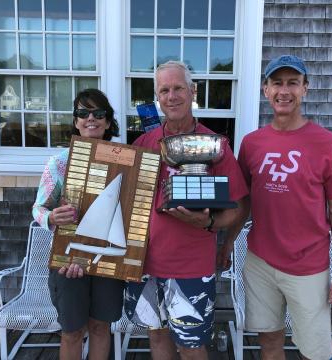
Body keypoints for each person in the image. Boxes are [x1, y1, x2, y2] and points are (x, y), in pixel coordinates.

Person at [218, 55, 332, 360]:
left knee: (315, 352)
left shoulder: (328, 144)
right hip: (260, 262)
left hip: (308, 267)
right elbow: (245, 202)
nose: (284, 90)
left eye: (293, 83)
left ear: (305, 88)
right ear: (265, 90)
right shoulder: (251, 143)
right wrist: (228, 241)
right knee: (269, 341)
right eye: (276, 83)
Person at [125, 61, 250, 360]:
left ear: (193, 91)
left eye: (178, 88)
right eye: (164, 90)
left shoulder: (215, 144)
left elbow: (240, 205)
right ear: (157, 97)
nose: (172, 96)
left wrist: (209, 224)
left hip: (190, 265)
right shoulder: (144, 143)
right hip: (144, 263)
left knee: (191, 347)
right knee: (156, 338)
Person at [32, 88, 124, 360]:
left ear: (108, 121)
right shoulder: (59, 163)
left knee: (100, 327)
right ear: (75, 121)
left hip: (110, 259)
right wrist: (51, 217)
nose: (90, 118)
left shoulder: (125, 161)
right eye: (83, 113)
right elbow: (38, 208)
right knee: (72, 331)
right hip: (68, 258)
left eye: (98, 113)